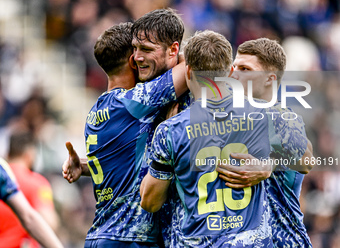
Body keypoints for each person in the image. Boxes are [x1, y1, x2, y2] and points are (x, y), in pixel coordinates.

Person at [141, 30, 280, 247]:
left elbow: (150, 202)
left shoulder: (170, 131)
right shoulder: (263, 115)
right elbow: (304, 157)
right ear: (231, 71)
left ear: (188, 72)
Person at [63, 19, 187, 247]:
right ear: (133, 60)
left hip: (99, 235)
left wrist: (84, 166)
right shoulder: (133, 102)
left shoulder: (97, 110)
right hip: (129, 238)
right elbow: (190, 68)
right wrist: (175, 53)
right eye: (139, 50)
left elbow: (126, 162)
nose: (142, 57)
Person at [216, 38, 313, 247]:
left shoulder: (280, 115)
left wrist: (269, 165)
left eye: (244, 68)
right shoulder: (230, 114)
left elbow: (306, 158)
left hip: (283, 241)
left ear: (269, 79)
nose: (233, 74)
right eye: (233, 67)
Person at [0, 131, 60, 247]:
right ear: (30, 154)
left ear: (8, 154)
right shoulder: (37, 183)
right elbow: (49, 221)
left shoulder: (3, 175)